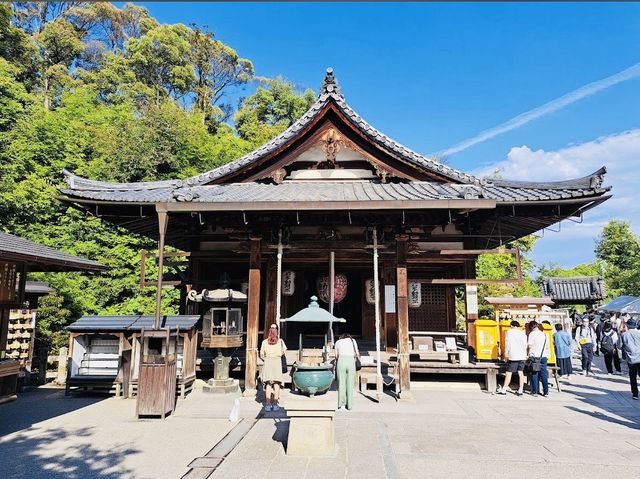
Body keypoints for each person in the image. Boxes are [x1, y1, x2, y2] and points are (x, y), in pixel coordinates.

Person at [259, 324, 286, 412]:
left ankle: (267, 404)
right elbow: (283, 352)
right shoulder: (280, 341)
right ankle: (275, 404)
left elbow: (261, 355)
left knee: (268, 384)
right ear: (277, 332)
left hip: (268, 362)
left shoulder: (264, 342)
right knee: (277, 384)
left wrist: (267, 358)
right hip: (277, 362)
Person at [497, 320, 527, 396]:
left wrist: (506, 354)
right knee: (521, 372)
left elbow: (508, 344)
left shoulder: (509, 332)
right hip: (522, 355)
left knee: (509, 372)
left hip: (513, 355)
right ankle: (520, 390)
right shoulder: (522, 333)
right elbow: (525, 345)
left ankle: (504, 389)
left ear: (511, 325)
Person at [334, 332, 359, 410]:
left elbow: (336, 355)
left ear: (341, 337)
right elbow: (357, 353)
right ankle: (349, 405)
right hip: (351, 361)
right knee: (350, 383)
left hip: (341, 360)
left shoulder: (338, 342)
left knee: (341, 383)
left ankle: (341, 404)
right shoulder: (353, 341)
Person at [527, 321, 550, 397]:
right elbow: (547, 346)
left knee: (534, 374)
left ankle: (535, 392)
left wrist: (528, 354)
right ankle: (546, 392)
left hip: (535, 356)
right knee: (543, 375)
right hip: (543, 356)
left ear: (531, 327)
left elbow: (530, 346)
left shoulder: (532, 334)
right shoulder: (544, 334)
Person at [621, 318, 640, 400]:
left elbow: (619, 346)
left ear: (627, 325)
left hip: (631, 358)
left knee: (633, 376)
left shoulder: (624, 334)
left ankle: (635, 393)